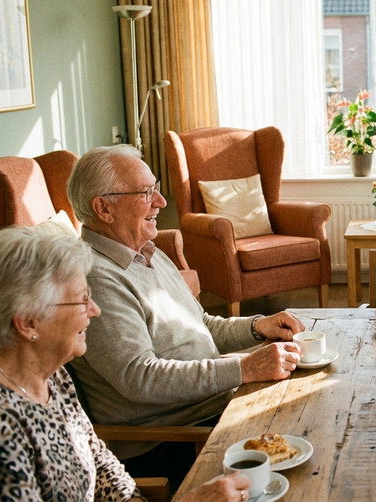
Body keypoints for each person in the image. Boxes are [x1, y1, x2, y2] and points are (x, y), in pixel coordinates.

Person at [65, 145, 305, 489]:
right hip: (172, 440)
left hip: (213, 406)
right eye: (146, 193)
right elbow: (139, 377)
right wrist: (246, 368)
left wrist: (257, 326)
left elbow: (201, 324)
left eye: (156, 187)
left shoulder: (146, 252)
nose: (161, 202)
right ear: (103, 208)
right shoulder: (95, 278)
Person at [0, 223, 252, 502]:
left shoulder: (53, 379)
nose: (95, 311)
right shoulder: (3, 427)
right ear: (28, 322)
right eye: (82, 301)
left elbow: (102, 467)